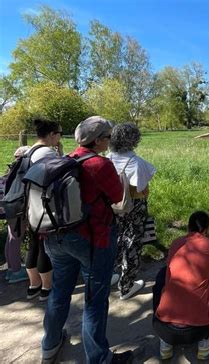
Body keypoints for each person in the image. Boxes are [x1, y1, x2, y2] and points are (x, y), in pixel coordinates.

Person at [41, 116, 133, 364]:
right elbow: (117, 197)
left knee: (59, 292)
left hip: (55, 237)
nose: (110, 141)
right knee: (94, 298)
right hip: (91, 239)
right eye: (107, 137)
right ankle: (100, 358)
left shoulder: (65, 160)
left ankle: (49, 345)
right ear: (99, 140)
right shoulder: (100, 165)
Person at [153, 211, 209, 361]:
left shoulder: (175, 244)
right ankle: (205, 342)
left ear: (188, 228)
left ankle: (165, 343)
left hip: (163, 328)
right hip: (198, 330)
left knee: (163, 274)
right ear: (206, 230)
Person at [108, 122, 156, 300]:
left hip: (112, 205)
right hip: (134, 205)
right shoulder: (136, 162)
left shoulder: (108, 158)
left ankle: (111, 274)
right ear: (134, 139)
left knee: (116, 237)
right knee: (133, 241)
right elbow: (143, 190)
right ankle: (126, 285)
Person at [26, 119, 63, 301]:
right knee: (44, 248)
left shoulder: (29, 150)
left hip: (28, 205)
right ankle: (46, 289)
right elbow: (59, 175)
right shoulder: (47, 153)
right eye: (59, 134)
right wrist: (61, 156)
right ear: (51, 135)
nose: (60, 138)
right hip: (43, 206)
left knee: (33, 245)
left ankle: (33, 286)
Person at [3, 146, 31, 284]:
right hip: (16, 208)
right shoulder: (22, 171)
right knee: (15, 238)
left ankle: (11, 268)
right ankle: (15, 271)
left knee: (11, 237)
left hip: (8, 207)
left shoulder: (12, 169)